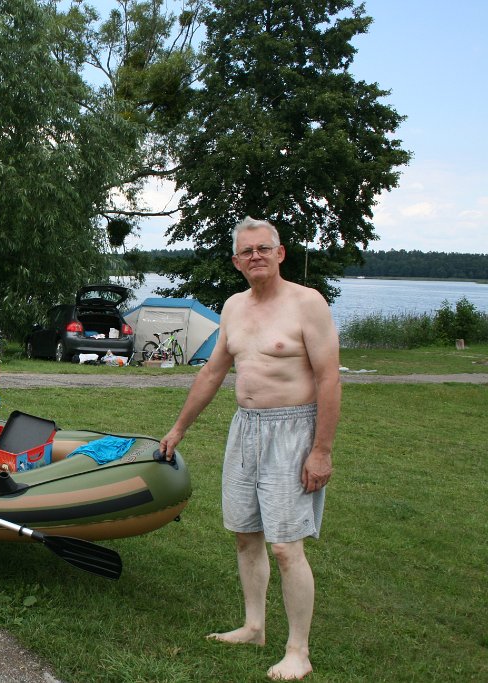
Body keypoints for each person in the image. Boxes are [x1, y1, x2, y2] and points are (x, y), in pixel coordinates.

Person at [157, 217, 341, 681]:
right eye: (246, 251)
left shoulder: (307, 303)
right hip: (245, 430)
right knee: (245, 535)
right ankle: (254, 627)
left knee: (286, 546)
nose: (255, 256)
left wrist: (321, 450)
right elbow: (212, 373)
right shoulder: (234, 307)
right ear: (237, 262)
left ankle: (298, 650)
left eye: (263, 248)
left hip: (293, 431)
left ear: (280, 254)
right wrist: (179, 428)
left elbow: (328, 379)